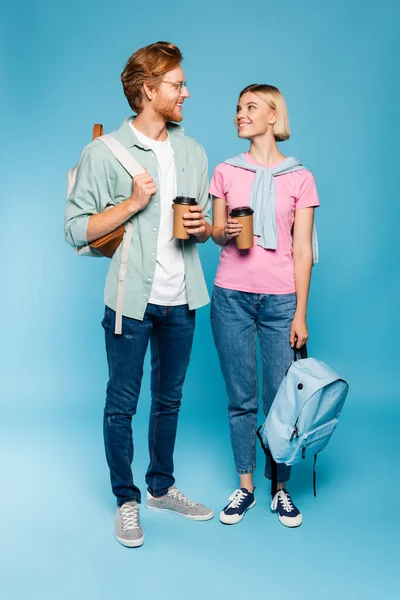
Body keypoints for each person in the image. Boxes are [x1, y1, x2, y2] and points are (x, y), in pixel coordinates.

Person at [65, 41, 214, 548]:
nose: (186, 93)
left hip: (182, 300)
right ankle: (126, 500)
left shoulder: (193, 151)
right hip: (130, 300)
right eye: (177, 85)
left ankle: (161, 488)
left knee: (169, 400)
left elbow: (204, 222)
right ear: (149, 90)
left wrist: (201, 228)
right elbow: (76, 229)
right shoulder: (102, 153)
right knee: (122, 403)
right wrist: (133, 202)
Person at [209, 84, 320, 528]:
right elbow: (216, 232)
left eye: (250, 108)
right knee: (241, 397)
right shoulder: (224, 171)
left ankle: (280, 488)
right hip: (230, 295)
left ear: (273, 117)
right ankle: (246, 486)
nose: (240, 114)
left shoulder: (300, 178)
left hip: (280, 302)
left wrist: (300, 313)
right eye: (238, 108)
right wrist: (225, 229)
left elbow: (302, 249)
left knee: (279, 400)